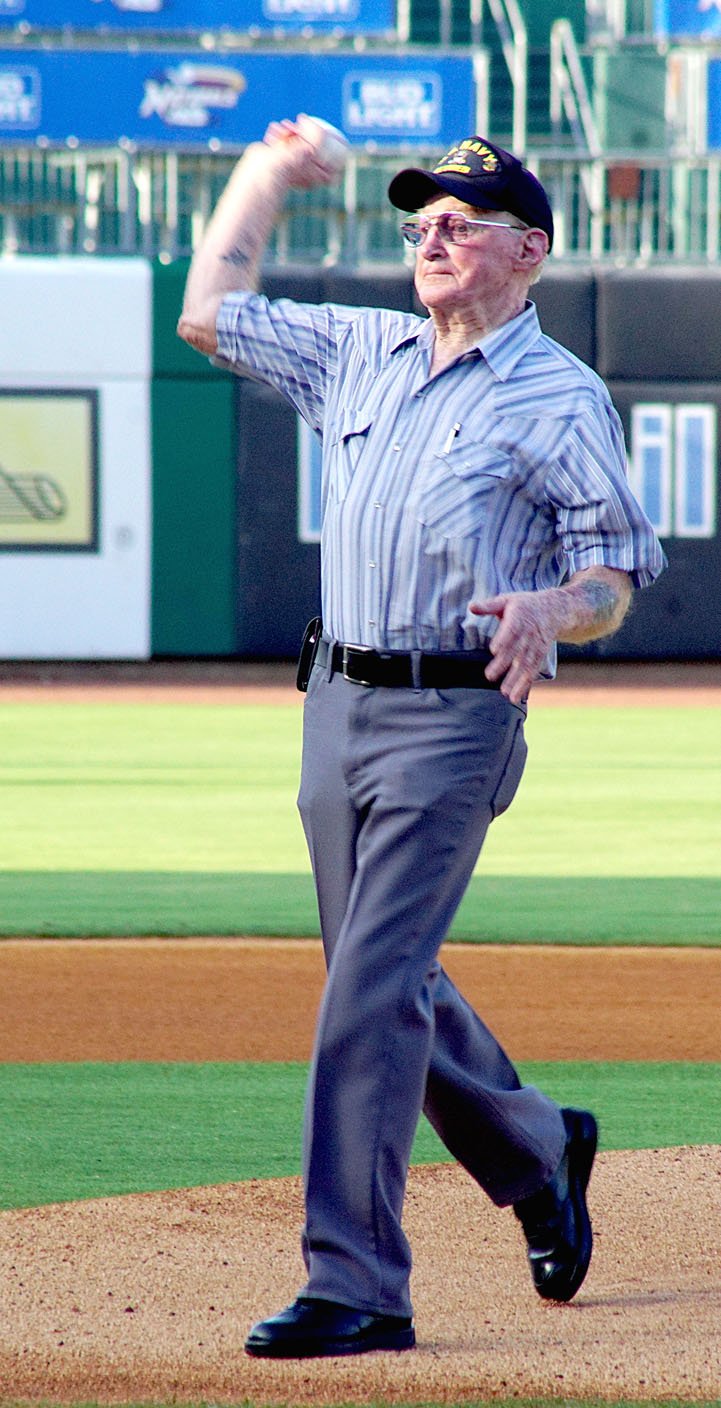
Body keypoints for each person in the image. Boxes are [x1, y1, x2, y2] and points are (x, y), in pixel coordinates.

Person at [177, 119, 666, 1360]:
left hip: (455, 719)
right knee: (386, 983)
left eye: (462, 220)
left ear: (529, 250)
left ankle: (358, 1283)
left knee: (366, 997)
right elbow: (206, 310)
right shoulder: (364, 352)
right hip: (334, 705)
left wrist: (558, 608)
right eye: (420, 221)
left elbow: (616, 569)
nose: (432, 236)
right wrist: (267, 173)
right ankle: (541, 1147)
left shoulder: (558, 395)